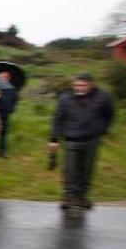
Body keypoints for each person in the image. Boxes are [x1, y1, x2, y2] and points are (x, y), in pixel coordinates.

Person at [49, 73, 115, 210]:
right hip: (71, 140)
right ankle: (68, 197)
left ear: (91, 85)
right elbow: (58, 118)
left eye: (82, 85)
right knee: (70, 170)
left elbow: (109, 115)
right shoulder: (65, 98)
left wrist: (102, 130)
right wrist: (54, 139)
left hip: (91, 140)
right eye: (76, 85)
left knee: (86, 170)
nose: (79, 88)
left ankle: (82, 197)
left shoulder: (103, 97)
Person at [0, 71, 19, 158]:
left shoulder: (12, 89)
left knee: (4, 133)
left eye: (5, 77)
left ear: (9, 78)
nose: (3, 79)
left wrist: (11, 109)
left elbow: (15, 100)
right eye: (1, 77)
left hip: (5, 114)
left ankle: (2, 151)